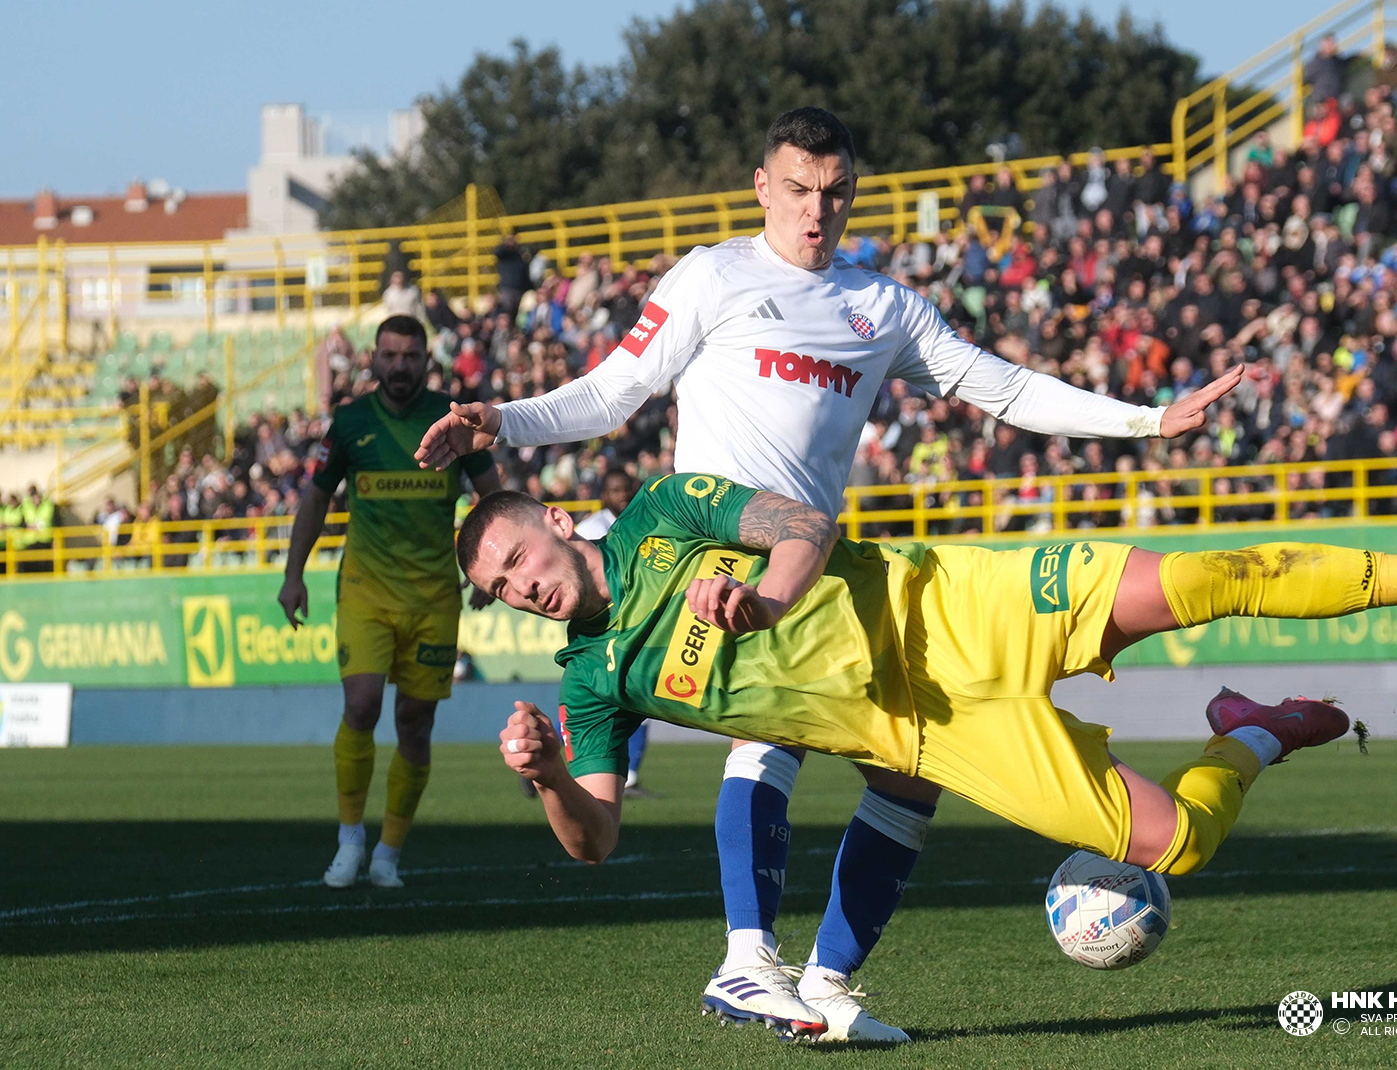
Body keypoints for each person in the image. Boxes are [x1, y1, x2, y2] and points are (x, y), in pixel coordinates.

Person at [413, 107, 1238, 1043]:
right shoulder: (711, 276)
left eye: (835, 192)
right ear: (763, 187)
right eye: (798, 190)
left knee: (909, 771)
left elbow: (1002, 388)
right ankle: (746, 960)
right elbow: (613, 391)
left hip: (816, 565)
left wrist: (1146, 421)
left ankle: (830, 984)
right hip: (708, 558)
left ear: (852, 193)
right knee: (766, 741)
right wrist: (502, 420)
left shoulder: (880, 307)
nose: (817, 211)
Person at [462, 478, 1397, 1029]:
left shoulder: (665, 510)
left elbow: (805, 523)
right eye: (500, 587)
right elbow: (596, 837)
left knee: (1200, 578)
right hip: (935, 731)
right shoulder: (588, 681)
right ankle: (1251, 730)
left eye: (517, 552)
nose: (520, 582)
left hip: (952, 603)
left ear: (556, 517)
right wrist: (550, 778)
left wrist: (760, 597)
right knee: (1176, 843)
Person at [277, 314, 500, 890]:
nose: (399, 365)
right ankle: (351, 838)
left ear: (427, 358)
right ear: (373, 359)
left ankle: (389, 852)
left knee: (415, 725)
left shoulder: (452, 420)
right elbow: (315, 500)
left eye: (410, 355)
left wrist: (492, 569)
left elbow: (494, 497)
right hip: (366, 592)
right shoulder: (350, 423)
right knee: (362, 705)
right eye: (390, 355)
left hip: (432, 596)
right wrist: (293, 575)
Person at [573, 469, 651, 796]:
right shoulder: (589, 529)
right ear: (603, 494)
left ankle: (628, 775)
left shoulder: (643, 522)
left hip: (635, 624)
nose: (622, 495)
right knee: (595, 698)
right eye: (615, 490)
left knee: (639, 702)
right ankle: (561, 764)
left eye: (627, 488)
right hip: (600, 628)